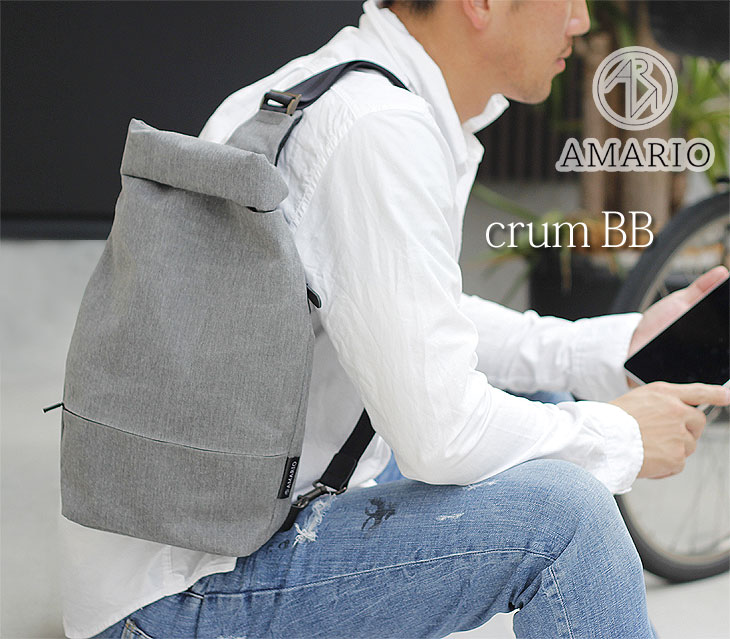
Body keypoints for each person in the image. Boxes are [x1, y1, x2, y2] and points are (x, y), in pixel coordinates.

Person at [64, 1, 730, 637]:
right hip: (179, 602)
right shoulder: (376, 130)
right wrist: (622, 436)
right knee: (567, 516)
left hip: (227, 518)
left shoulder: (327, 87)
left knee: (545, 410)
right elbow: (442, 436)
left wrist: (612, 345)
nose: (581, 21)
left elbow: (411, 319)